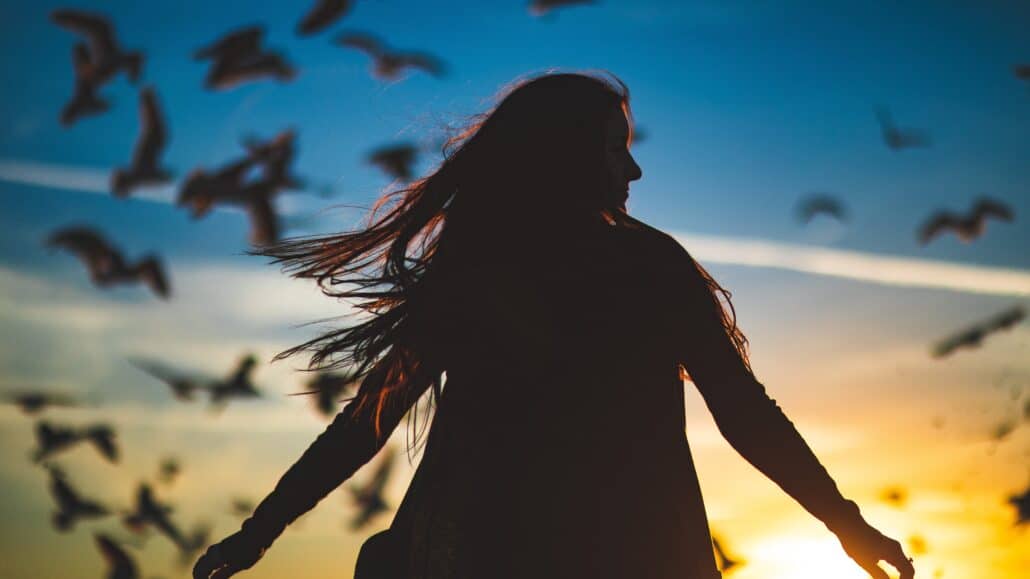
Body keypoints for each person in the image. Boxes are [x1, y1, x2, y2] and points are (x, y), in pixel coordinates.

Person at [193, 71, 915, 579]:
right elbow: (743, 411)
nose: (632, 171)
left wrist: (260, 532)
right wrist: (846, 524)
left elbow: (367, 420)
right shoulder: (646, 266)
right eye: (613, 147)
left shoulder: (479, 274)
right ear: (566, 155)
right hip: (628, 555)